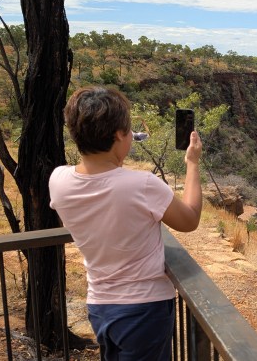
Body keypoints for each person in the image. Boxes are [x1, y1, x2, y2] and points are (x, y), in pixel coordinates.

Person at [49, 86, 203, 360]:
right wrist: (192, 163)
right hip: (144, 310)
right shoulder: (141, 184)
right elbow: (189, 219)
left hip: (100, 306)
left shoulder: (58, 180)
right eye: (129, 130)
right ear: (118, 135)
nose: (132, 136)